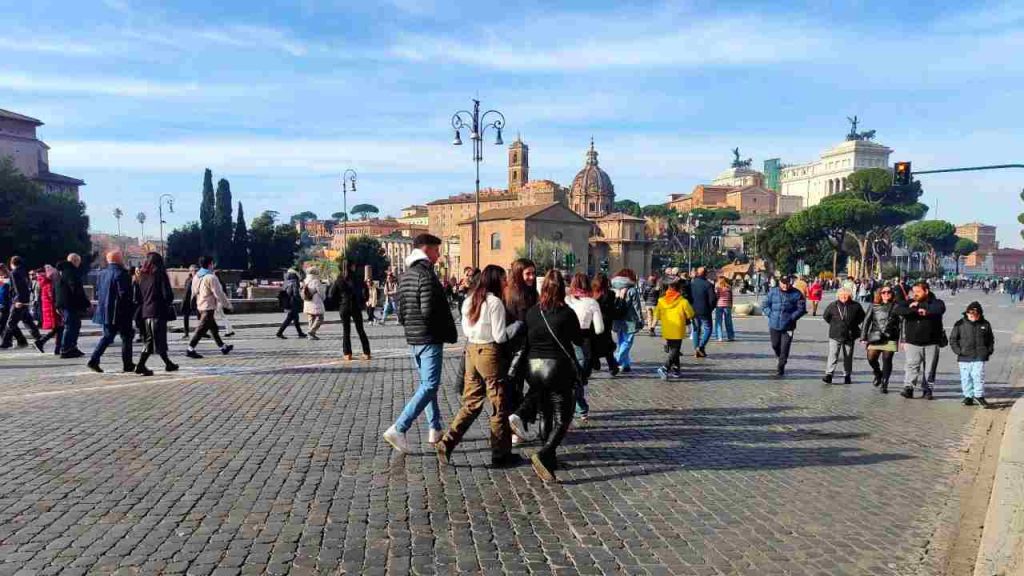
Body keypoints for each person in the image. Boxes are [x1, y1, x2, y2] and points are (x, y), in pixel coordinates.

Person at [437, 265, 520, 468]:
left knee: (472, 403)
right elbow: (500, 336)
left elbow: (466, 329)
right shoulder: (495, 303)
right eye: (503, 279)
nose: (506, 282)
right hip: (489, 353)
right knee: (498, 405)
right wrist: (515, 328)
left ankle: (447, 442)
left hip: (471, 352)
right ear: (495, 280)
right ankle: (500, 454)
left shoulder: (469, 300)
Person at [383, 234, 458, 453]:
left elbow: (402, 310)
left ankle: (435, 428)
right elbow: (428, 310)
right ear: (426, 249)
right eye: (436, 250)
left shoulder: (406, 275)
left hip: (413, 337)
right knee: (430, 385)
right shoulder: (426, 275)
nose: (438, 255)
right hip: (429, 337)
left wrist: (411, 328)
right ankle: (399, 427)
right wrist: (442, 329)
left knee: (428, 384)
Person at [512, 270, 583, 483]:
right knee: (563, 417)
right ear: (562, 289)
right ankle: (545, 454)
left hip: (533, 369)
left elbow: (526, 338)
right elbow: (577, 339)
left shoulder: (533, 312)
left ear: (543, 290)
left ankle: (549, 457)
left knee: (545, 413)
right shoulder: (566, 313)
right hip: (557, 369)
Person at [503, 258, 537, 443]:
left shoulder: (527, 292)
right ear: (518, 274)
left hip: (523, 348)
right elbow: (526, 323)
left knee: (518, 389)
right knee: (521, 389)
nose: (531, 277)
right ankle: (516, 426)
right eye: (528, 273)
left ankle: (517, 426)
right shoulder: (517, 295)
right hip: (519, 350)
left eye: (533, 273)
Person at [894, 281, 946, 400]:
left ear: (926, 291)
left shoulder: (937, 302)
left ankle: (927, 389)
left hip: (932, 341)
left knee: (930, 368)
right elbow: (897, 309)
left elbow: (940, 309)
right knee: (911, 366)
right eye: (914, 291)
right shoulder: (910, 302)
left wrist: (925, 309)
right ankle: (908, 388)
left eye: (918, 291)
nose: (915, 294)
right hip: (913, 341)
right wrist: (914, 310)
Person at [87, 251, 136, 373]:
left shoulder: (102, 273)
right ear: (119, 259)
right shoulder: (122, 274)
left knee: (108, 337)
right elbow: (124, 294)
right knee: (127, 337)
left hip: (105, 310)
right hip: (120, 312)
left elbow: (99, 291)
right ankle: (127, 364)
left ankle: (94, 359)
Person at [565, 272, 603, 422]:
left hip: (566, 341)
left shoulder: (567, 300)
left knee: (568, 377)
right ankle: (581, 408)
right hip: (583, 340)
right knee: (578, 377)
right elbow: (599, 328)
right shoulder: (592, 303)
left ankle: (576, 407)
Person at [135, 252, 179, 375]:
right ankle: (141, 365)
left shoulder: (143, 276)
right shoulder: (160, 274)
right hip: (158, 311)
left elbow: (139, 295)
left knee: (151, 340)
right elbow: (167, 295)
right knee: (158, 340)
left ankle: (168, 364)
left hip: (146, 311)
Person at [186, 256, 234, 359]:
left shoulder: (196, 276)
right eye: (212, 263)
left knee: (213, 328)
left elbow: (193, 292)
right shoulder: (211, 277)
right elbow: (219, 294)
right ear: (210, 264)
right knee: (201, 329)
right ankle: (190, 349)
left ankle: (223, 347)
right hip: (208, 307)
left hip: (200, 305)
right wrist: (228, 305)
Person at [949, 301, 994, 407]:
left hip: (979, 355)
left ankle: (979, 395)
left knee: (978, 376)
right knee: (966, 377)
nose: (972, 316)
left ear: (979, 314)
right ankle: (968, 396)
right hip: (964, 356)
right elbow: (953, 339)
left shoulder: (985, 324)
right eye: (970, 314)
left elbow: (990, 339)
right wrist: (958, 351)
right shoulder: (960, 324)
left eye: (975, 315)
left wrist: (988, 350)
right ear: (967, 314)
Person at [761, 275, 807, 377]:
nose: (785, 285)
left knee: (785, 347)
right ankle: (781, 357)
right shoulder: (773, 292)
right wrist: (770, 314)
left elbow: (801, 309)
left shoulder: (797, 293)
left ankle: (781, 367)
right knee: (775, 345)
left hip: (788, 326)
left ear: (790, 283)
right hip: (774, 324)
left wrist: (791, 318)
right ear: (779, 283)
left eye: (787, 283)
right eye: (783, 283)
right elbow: (764, 305)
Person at [820, 287, 866, 384]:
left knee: (848, 356)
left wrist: (853, 324)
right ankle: (829, 374)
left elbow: (862, 317)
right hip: (835, 334)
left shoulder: (856, 306)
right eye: (842, 295)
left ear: (850, 296)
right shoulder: (833, 305)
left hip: (850, 335)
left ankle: (847, 375)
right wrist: (834, 324)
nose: (844, 296)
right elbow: (826, 316)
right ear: (838, 296)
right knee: (833, 354)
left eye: (846, 295)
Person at [861, 286, 901, 394]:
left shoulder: (897, 306)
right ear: (880, 294)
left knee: (887, 359)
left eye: (889, 292)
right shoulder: (873, 306)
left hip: (890, 337)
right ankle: (878, 373)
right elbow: (866, 321)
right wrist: (863, 337)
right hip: (875, 336)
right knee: (871, 358)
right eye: (884, 292)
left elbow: (902, 323)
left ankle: (884, 383)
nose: (886, 294)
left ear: (892, 294)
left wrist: (904, 339)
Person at [654, 278, 696, 380]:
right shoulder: (683, 301)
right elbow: (691, 314)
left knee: (673, 349)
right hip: (678, 328)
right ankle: (665, 367)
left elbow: (657, 315)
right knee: (675, 350)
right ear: (679, 289)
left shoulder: (661, 301)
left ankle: (676, 370)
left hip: (667, 328)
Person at [0, 256, 44, 350]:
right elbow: (25, 287)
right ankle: (39, 339)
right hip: (25, 300)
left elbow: (17, 288)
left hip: (18, 301)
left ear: (12, 263)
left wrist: (17, 300)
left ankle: (6, 342)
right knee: (28, 321)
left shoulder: (14, 273)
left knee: (11, 322)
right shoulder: (24, 272)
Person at [332, 261, 371, 361]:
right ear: (351, 267)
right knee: (360, 330)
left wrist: (339, 303)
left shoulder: (339, 279)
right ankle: (366, 352)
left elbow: (331, 294)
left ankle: (347, 353)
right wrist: (363, 301)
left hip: (344, 306)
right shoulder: (357, 278)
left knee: (346, 331)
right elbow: (366, 291)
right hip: (356, 306)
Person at [611, 268, 645, 373]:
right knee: (627, 342)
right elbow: (637, 307)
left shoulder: (613, 289)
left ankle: (626, 364)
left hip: (617, 319)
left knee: (622, 341)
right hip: (630, 320)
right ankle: (616, 361)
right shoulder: (632, 290)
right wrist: (641, 319)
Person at [55, 253, 89, 358]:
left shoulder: (63, 271)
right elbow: (76, 288)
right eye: (78, 261)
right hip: (69, 303)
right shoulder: (70, 271)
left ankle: (72, 347)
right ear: (75, 261)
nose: (79, 264)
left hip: (64, 303)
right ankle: (65, 349)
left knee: (75, 325)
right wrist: (85, 302)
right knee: (70, 326)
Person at [590, 273, 620, 376]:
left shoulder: (592, 294)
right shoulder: (610, 294)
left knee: (594, 342)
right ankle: (612, 366)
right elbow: (612, 308)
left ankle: (595, 362)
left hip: (594, 320)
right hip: (606, 321)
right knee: (607, 344)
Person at [34, 265, 64, 355]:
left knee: (58, 328)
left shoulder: (45, 282)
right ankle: (42, 342)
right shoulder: (49, 284)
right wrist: (58, 306)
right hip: (52, 309)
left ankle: (56, 348)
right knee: (59, 328)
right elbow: (53, 297)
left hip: (50, 309)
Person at [688, 266, 716, 358]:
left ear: (697, 273)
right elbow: (712, 300)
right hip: (705, 311)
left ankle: (697, 349)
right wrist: (710, 309)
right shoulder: (708, 285)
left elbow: (688, 297)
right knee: (708, 329)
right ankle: (701, 346)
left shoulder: (692, 284)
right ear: (706, 274)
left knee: (696, 330)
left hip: (694, 311)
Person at [276, 269, 307, 339]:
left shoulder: (286, 282)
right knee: (289, 318)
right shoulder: (295, 282)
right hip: (293, 303)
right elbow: (296, 293)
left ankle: (300, 333)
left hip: (288, 302)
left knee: (296, 318)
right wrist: (301, 300)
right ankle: (279, 332)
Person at [302, 267, 326, 340]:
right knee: (320, 317)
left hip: (307, 301)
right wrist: (323, 298)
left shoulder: (305, 281)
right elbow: (321, 293)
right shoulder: (316, 281)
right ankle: (311, 332)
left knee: (311, 318)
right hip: (316, 302)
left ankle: (311, 335)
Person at [712, 276, 735, 342]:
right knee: (728, 321)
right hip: (728, 306)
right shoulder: (729, 288)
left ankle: (719, 337)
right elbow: (731, 298)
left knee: (718, 322)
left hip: (719, 305)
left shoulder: (718, 288)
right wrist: (731, 305)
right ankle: (730, 336)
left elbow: (716, 297)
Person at [180, 265, 198, 339]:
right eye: (193, 270)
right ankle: (186, 332)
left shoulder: (198, 279)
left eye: (196, 270)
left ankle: (201, 332)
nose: (194, 272)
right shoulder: (188, 279)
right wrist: (184, 301)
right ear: (190, 271)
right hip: (187, 301)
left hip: (196, 300)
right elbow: (185, 291)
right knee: (186, 317)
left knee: (200, 317)